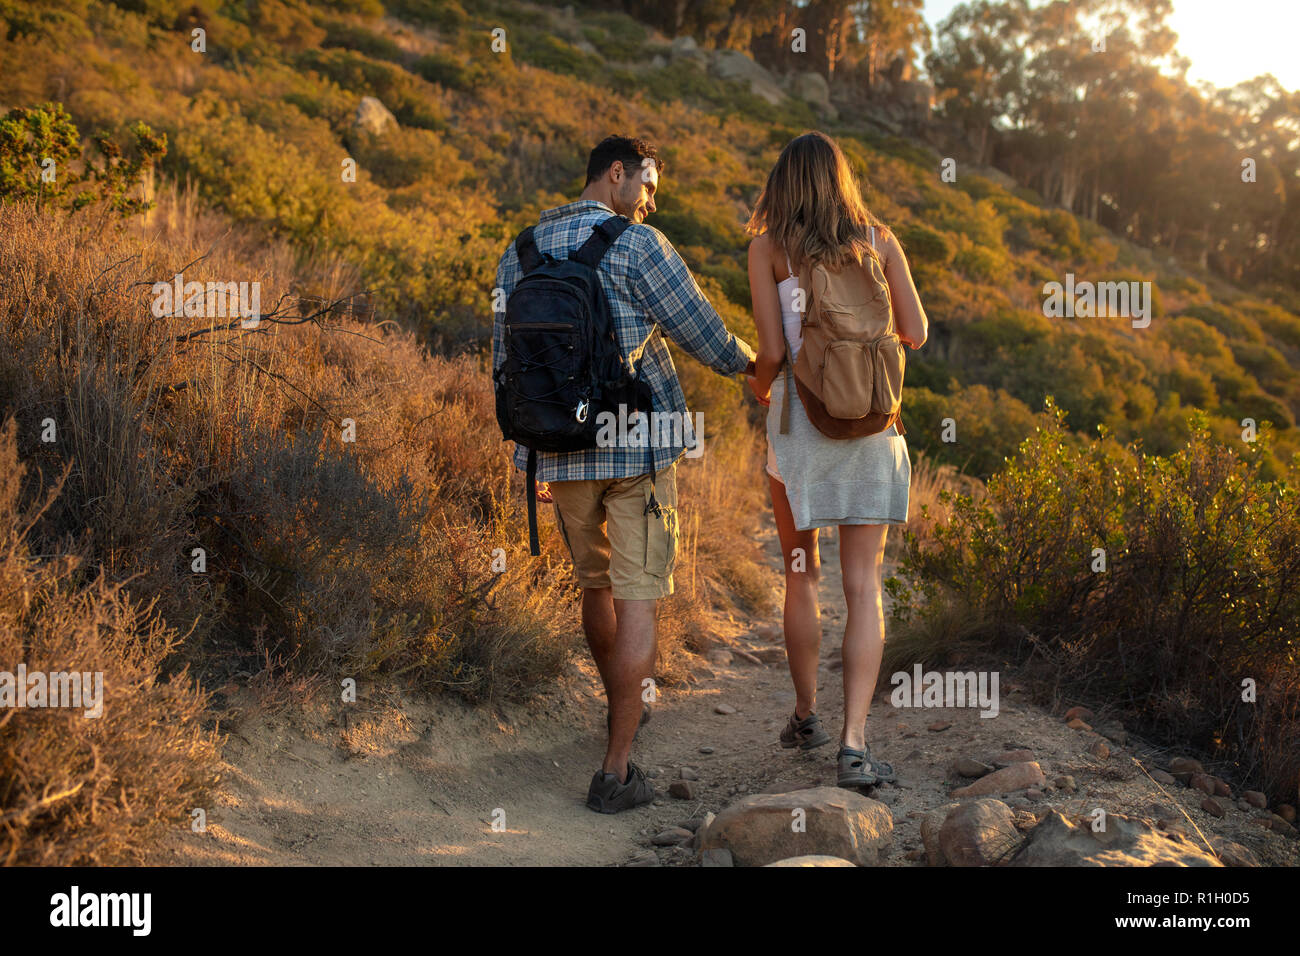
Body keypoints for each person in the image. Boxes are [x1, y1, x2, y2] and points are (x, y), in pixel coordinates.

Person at [493, 136, 756, 812]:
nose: (652, 200)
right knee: (638, 595)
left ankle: (619, 710)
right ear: (618, 173)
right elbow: (703, 331)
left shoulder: (517, 252)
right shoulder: (640, 245)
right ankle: (615, 770)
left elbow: (504, 365)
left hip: (557, 449)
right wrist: (754, 364)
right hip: (636, 446)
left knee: (596, 586)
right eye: (649, 185)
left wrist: (529, 454)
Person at [744, 131, 929, 789]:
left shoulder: (768, 250)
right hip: (874, 427)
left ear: (782, 184)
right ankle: (853, 745)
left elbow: (769, 350)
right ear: (841, 181)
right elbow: (918, 331)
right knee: (861, 587)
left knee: (800, 573)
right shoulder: (879, 241)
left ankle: (805, 714)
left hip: (799, 425)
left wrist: (760, 386)